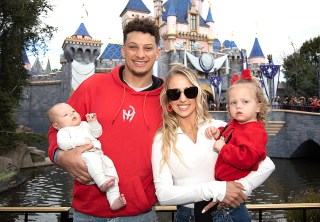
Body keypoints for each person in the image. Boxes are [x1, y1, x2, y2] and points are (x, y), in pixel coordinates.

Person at [48, 17, 163, 221]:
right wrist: (61, 157)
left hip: (139, 212)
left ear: (158, 53)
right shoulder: (93, 86)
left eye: (147, 48)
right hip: (89, 211)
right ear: (123, 51)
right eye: (133, 47)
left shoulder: (167, 98)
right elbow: (55, 129)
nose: (140, 54)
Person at [151, 64, 275, 222]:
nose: (183, 99)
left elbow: (266, 164)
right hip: (188, 216)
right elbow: (163, 195)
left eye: (189, 91)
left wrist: (239, 189)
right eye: (175, 93)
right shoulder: (162, 139)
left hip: (229, 211)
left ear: (198, 94)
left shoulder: (218, 127)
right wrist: (217, 190)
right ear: (168, 99)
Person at [204, 69, 271, 221]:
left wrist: (222, 147)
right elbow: (228, 135)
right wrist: (217, 133)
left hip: (232, 203)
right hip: (224, 191)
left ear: (258, 107)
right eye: (233, 103)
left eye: (245, 102)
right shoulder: (235, 124)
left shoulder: (255, 130)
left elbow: (247, 158)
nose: (238, 106)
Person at [47, 103, 126, 210]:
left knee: (111, 171)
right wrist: (82, 141)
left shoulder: (84, 124)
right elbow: (63, 144)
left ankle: (114, 199)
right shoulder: (63, 131)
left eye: (73, 111)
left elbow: (97, 133)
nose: (71, 114)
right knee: (93, 161)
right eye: (66, 115)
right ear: (56, 125)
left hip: (99, 154)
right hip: (85, 154)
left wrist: (93, 123)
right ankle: (101, 183)